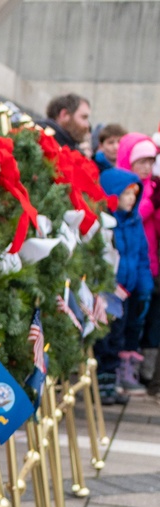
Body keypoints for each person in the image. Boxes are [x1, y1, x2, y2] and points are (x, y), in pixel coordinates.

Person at [95, 167, 155, 400]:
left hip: (127, 292)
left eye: (134, 194)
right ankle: (103, 382)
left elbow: (141, 257)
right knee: (105, 338)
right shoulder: (107, 223)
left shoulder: (135, 222)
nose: (131, 199)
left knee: (119, 337)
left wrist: (144, 287)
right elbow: (101, 258)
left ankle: (112, 380)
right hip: (109, 291)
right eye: (127, 194)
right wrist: (107, 284)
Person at [115, 133, 160, 391]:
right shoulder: (125, 187)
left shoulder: (152, 188)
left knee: (138, 322)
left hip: (145, 265)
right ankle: (115, 372)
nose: (146, 167)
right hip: (123, 269)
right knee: (120, 325)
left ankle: (133, 370)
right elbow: (136, 214)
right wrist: (150, 202)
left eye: (150, 162)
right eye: (141, 161)